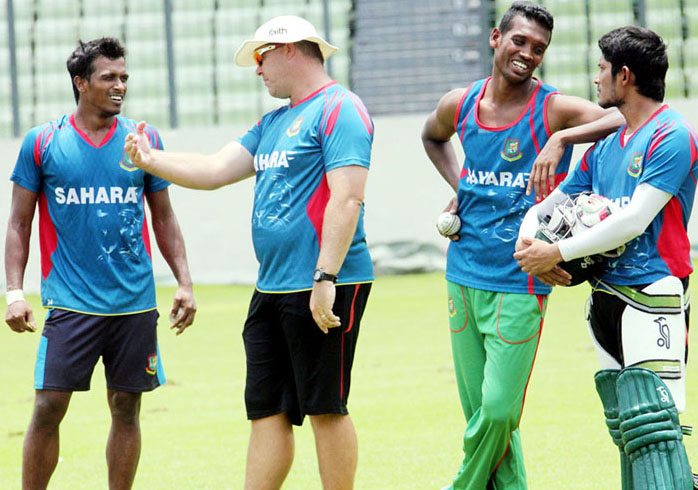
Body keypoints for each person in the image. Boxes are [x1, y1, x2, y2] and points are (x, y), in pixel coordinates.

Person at [124, 15, 373, 490]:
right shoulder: (273, 122)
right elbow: (216, 168)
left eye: (261, 57)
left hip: (321, 283)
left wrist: (326, 280)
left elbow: (347, 198)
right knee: (266, 409)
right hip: (272, 286)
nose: (257, 70)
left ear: (290, 50)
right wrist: (151, 160)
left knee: (325, 405)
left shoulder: (341, 108)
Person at [421, 2, 624, 489]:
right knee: (485, 417)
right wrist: (461, 186)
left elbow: (618, 118)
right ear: (495, 38)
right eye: (519, 41)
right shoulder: (462, 102)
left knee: (496, 411)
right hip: (463, 274)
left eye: (539, 49)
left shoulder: (550, 107)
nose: (528, 54)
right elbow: (432, 136)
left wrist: (561, 140)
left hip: (520, 279)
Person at [4, 37, 197, 490]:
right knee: (49, 406)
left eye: (124, 77)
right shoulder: (43, 142)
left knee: (127, 407)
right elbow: (18, 222)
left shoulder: (142, 141)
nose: (120, 85)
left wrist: (184, 282)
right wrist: (14, 292)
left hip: (133, 303)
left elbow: (164, 217)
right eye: (109, 77)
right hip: (71, 303)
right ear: (80, 82)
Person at [514, 26, 697, 490]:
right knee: (627, 428)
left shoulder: (672, 136)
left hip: (653, 289)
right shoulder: (605, 147)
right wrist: (528, 243)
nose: (596, 79)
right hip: (603, 295)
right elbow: (549, 204)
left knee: (654, 424)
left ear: (625, 76)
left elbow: (635, 219)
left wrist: (557, 251)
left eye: (601, 69)